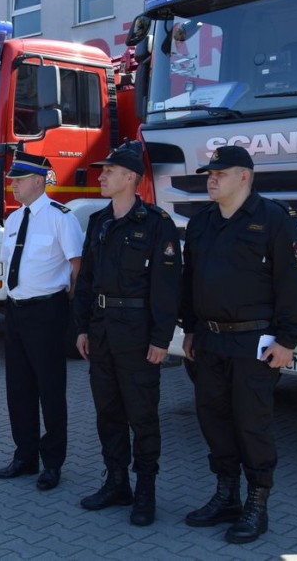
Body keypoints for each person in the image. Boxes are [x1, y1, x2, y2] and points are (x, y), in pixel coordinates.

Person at [181, 145, 297, 544]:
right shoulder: (202, 221)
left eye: (220, 173)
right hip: (209, 339)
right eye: (209, 173)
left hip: (254, 342)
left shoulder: (274, 219)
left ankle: (257, 503)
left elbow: (295, 284)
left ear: (244, 177)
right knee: (214, 420)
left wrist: (288, 340)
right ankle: (226, 495)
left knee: (251, 425)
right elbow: (191, 280)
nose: (212, 179)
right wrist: (188, 328)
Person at [74, 141, 181, 526]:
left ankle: (145, 490)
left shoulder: (156, 224)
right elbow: (85, 280)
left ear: (131, 177)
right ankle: (116, 481)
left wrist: (160, 338)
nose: (100, 176)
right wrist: (83, 327)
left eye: (109, 171)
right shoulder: (98, 223)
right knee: (108, 413)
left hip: (137, 335)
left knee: (142, 415)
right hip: (101, 333)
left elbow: (167, 287)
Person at [0, 151, 83, 491]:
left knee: (50, 389)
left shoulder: (62, 217)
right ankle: (25, 455)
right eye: (13, 181)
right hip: (15, 310)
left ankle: (53, 463)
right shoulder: (15, 219)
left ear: (37, 181)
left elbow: (77, 267)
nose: (13, 186)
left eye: (18, 180)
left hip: (47, 311)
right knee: (18, 387)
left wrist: (66, 311)